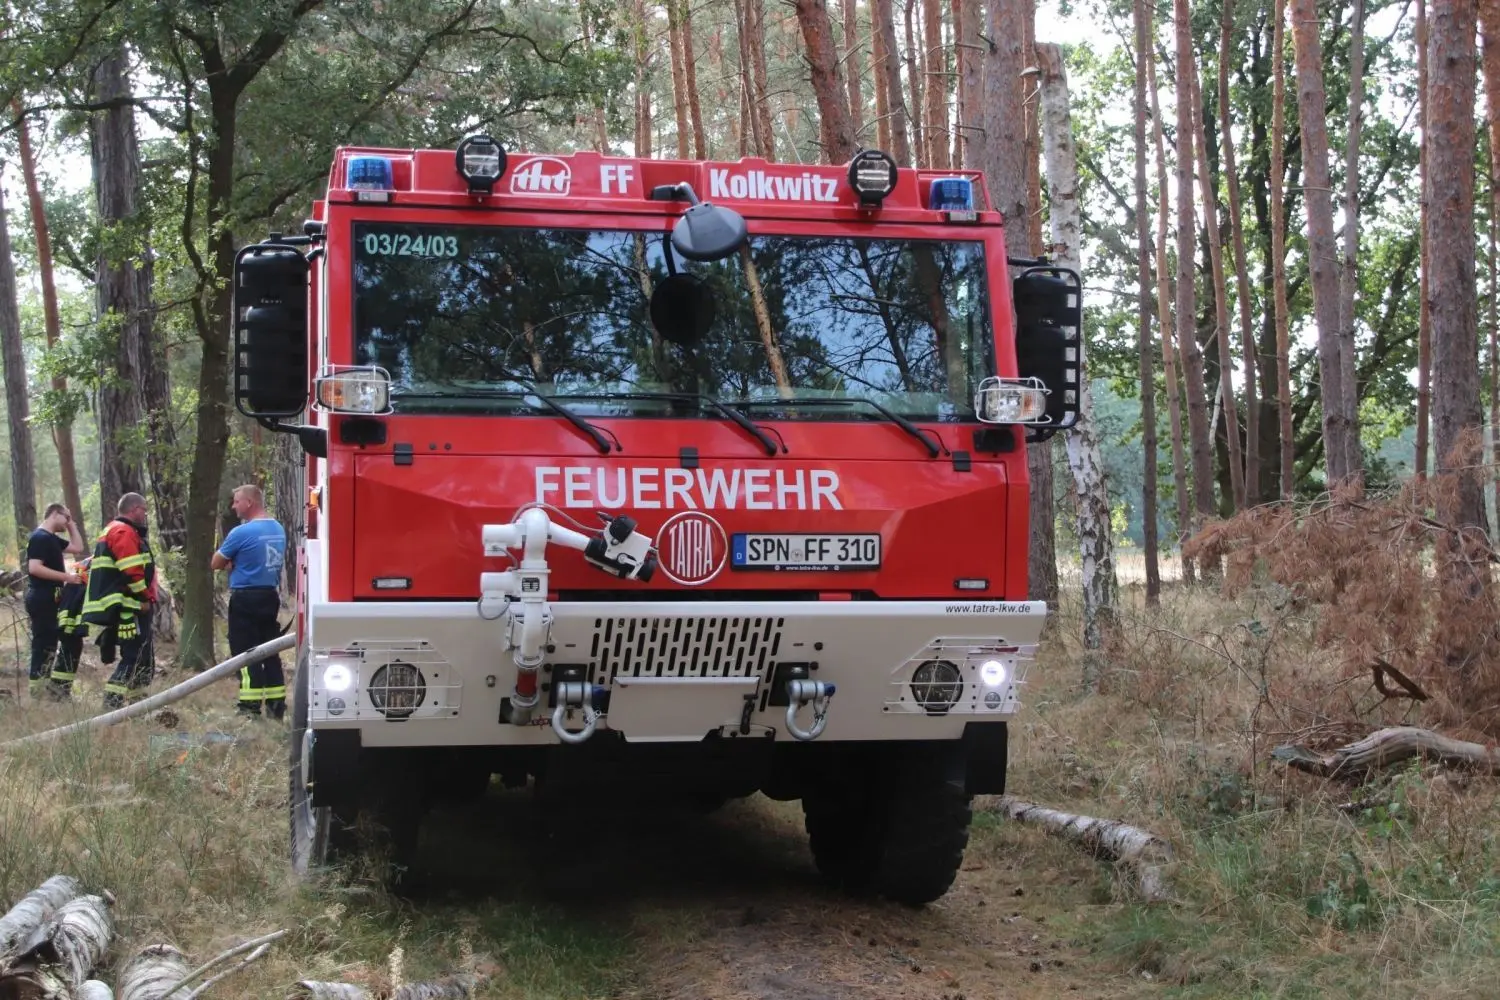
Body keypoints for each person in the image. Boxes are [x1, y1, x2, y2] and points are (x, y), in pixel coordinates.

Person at [212, 485, 288, 719]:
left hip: (245, 597)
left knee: (244, 652)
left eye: (236, 501)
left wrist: (230, 562)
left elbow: (215, 562)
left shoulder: (240, 533)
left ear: (249, 503)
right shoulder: (277, 529)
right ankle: (276, 706)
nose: (233, 506)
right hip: (269, 596)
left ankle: (249, 707)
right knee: (269, 650)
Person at [82, 493, 158, 710]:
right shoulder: (123, 531)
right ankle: (112, 702)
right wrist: (145, 598)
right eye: (144, 510)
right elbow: (132, 571)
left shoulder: (116, 530)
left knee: (142, 656)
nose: (145, 515)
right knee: (134, 655)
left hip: (127, 604)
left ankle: (138, 703)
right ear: (134, 509)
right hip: (130, 606)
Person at [24, 504, 85, 696]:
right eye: (66, 518)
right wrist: (66, 577)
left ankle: (53, 689)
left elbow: (77, 548)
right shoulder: (40, 538)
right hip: (41, 597)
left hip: (53, 598)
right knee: (43, 644)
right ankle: (37, 691)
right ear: (54, 514)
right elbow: (34, 568)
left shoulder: (51, 539)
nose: (67, 522)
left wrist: (72, 525)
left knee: (52, 642)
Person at [48, 554, 91, 700]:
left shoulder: (90, 565)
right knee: (71, 648)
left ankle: (59, 689)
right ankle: (57, 691)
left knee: (71, 648)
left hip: (68, 613)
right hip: (69, 618)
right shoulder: (90, 572)